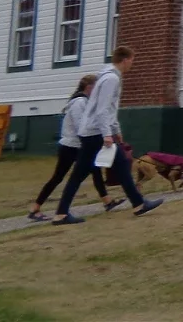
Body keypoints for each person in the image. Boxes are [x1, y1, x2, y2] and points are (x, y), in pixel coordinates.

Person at [51, 46, 162, 224]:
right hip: (96, 132)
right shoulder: (111, 79)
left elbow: (109, 109)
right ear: (125, 60)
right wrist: (108, 134)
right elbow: (103, 109)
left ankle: (62, 213)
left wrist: (116, 130)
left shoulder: (107, 76)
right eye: (132, 60)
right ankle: (138, 203)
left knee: (85, 172)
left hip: (91, 131)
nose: (132, 64)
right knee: (117, 166)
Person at [28, 75, 122, 221]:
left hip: (79, 145)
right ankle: (36, 208)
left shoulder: (86, 102)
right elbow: (81, 126)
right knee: (58, 177)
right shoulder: (79, 103)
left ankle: (107, 201)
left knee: (96, 171)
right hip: (71, 146)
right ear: (89, 87)